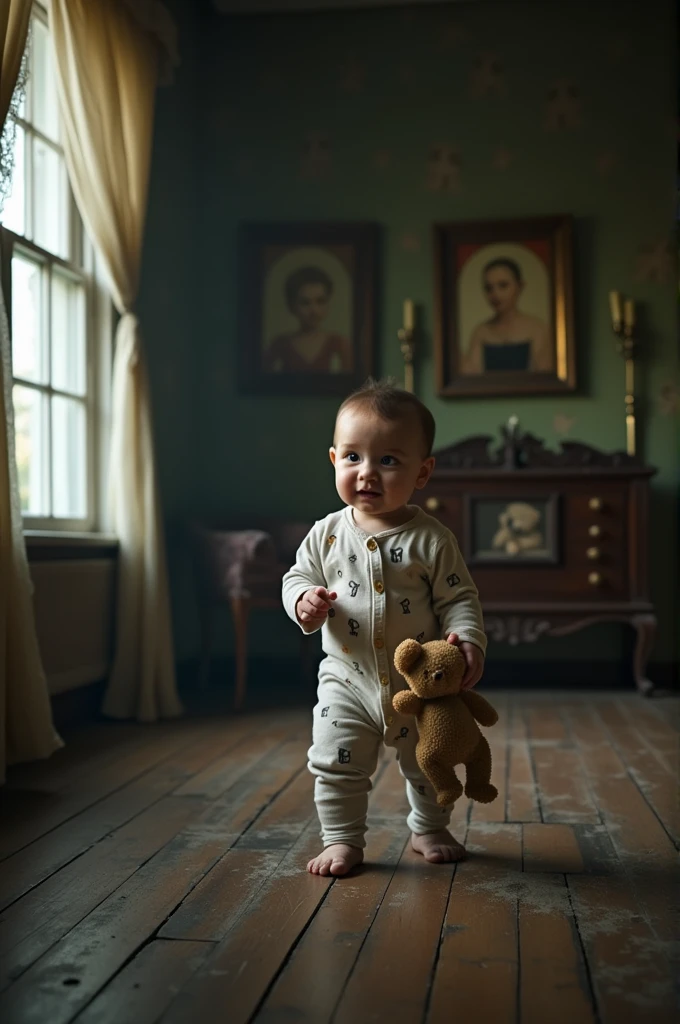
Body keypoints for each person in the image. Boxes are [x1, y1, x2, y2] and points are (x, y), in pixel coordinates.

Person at [282, 379, 487, 877]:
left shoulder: (432, 540)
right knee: (335, 762)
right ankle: (342, 839)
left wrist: (469, 641)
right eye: (353, 457)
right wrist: (303, 602)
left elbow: (459, 598)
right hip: (346, 679)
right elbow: (297, 578)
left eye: (389, 461)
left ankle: (429, 827)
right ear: (334, 460)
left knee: (430, 759)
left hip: (424, 687)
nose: (367, 472)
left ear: (423, 471)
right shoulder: (325, 534)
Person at [462, 257, 553, 373]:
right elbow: (472, 376)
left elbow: (543, 376)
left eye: (503, 285)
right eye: (489, 288)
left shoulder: (537, 328)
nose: (495, 294)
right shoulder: (481, 332)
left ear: (520, 286)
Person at [264, 265, 352, 374]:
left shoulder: (340, 344)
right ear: (292, 306)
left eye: (320, 301)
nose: (314, 310)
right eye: (305, 303)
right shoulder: (279, 346)